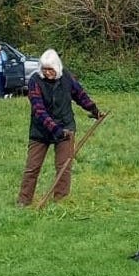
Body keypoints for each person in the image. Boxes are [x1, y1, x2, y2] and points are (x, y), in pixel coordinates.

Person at [17, 49, 103, 207]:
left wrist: (94, 109)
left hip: (66, 127)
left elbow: (80, 95)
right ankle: (24, 201)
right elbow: (39, 110)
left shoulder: (67, 78)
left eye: (50, 69)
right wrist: (55, 129)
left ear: (57, 68)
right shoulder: (35, 81)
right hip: (41, 130)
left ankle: (60, 202)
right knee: (32, 167)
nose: (47, 72)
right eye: (44, 69)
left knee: (64, 167)